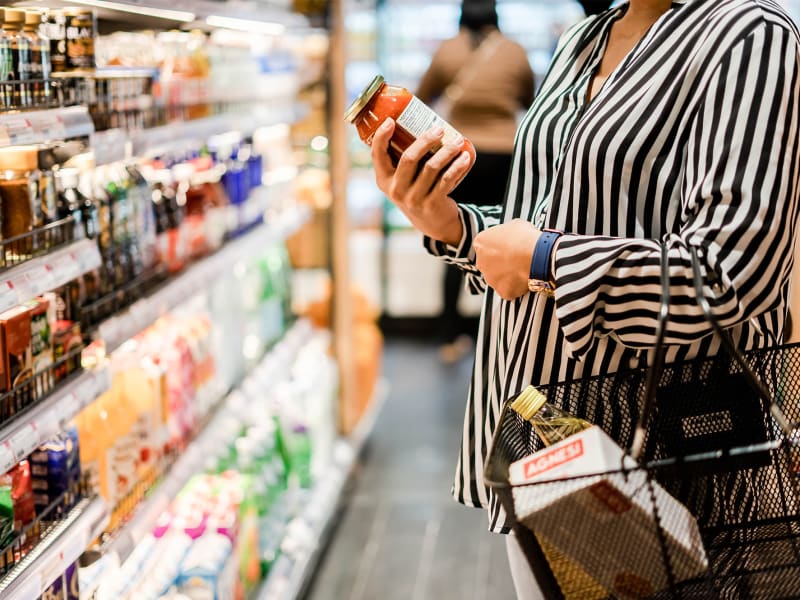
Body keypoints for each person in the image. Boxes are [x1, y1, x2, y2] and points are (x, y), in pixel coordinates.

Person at [369, 0, 800, 597]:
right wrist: (451, 225)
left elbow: (726, 274)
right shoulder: (585, 38)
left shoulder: (748, 33)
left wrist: (546, 258)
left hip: (656, 455)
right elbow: (544, 220)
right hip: (540, 435)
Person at [414, 0, 535, 364]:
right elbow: (529, 99)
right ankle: (500, 337)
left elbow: (422, 100)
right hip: (504, 158)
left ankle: (449, 338)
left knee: (456, 240)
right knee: (500, 240)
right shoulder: (515, 52)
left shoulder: (446, 50)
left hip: (457, 156)